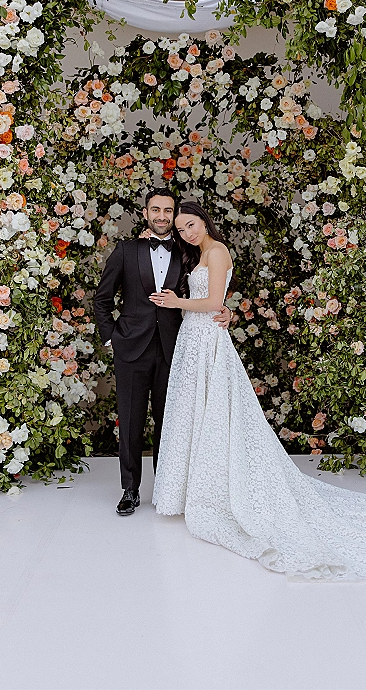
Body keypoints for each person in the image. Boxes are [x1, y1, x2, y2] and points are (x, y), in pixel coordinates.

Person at [149, 201, 366, 581]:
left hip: (207, 338)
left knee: (216, 412)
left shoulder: (217, 251)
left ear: (204, 221)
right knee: (192, 410)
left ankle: (219, 493)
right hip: (194, 338)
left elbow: (214, 302)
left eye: (191, 225)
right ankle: (190, 490)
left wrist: (177, 302)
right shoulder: (198, 254)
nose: (187, 232)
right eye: (181, 229)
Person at [93, 188, 231, 516]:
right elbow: (102, 299)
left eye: (167, 211)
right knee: (130, 420)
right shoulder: (126, 250)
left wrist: (226, 311)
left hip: (176, 349)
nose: (161, 216)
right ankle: (130, 489)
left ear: (174, 215)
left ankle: (166, 488)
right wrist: (112, 338)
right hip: (130, 348)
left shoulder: (189, 252)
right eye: (155, 210)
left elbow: (214, 287)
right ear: (145, 213)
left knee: (170, 423)